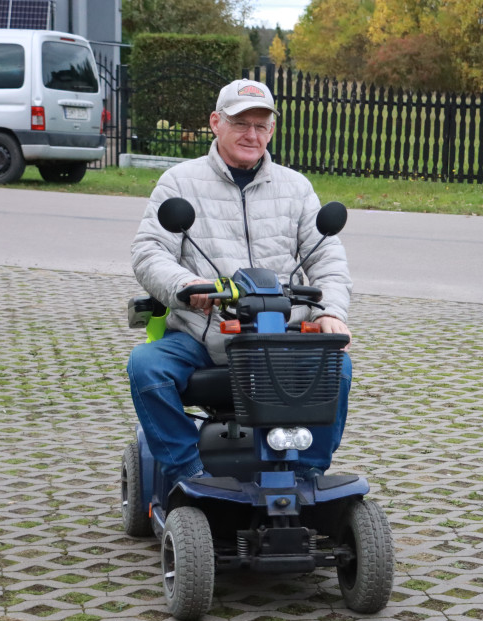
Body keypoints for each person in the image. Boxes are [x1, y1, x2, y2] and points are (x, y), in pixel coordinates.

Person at [127, 78, 353, 484]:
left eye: (261, 125)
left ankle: (305, 473)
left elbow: (326, 256)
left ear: (272, 130)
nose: (252, 135)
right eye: (240, 123)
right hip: (201, 336)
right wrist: (187, 286)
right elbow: (149, 253)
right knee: (146, 367)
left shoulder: (296, 188)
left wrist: (331, 312)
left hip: (278, 335)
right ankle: (189, 473)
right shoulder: (179, 182)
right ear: (216, 122)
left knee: (337, 366)